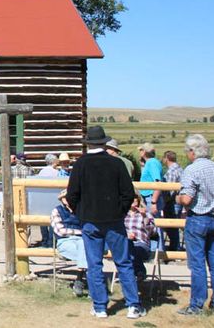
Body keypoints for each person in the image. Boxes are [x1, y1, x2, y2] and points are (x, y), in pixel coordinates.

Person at [66, 126, 146, 319]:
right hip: (114, 221)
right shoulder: (116, 164)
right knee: (124, 263)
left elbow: (72, 195)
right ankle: (133, 305)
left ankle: (100, 306)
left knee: (94, 264)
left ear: (88, 144)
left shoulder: (80, 165)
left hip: (90, 221)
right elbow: (128, 194)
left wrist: (81, 213)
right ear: (104, 143)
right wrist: (119, 211)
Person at [175, 134, 214, 316]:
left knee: (197, 264)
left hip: (198, 217)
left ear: (192, 151)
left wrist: (178, 197)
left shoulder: (192, 169)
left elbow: (187, 198)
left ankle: (196, 305)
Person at [50, 189, 87, 297]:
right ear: (62, 200)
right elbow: (60, 231)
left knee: (83, 246)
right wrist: (80, 232)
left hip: (82, 241)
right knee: (89, 252)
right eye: (66, 197)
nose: (69, 199)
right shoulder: (56, 211)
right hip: (65, 241)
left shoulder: (81, 210)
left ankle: (79, 281)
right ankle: (85, 280)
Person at [138, 143, 164, 251]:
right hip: (148, 196)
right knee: (150, 222)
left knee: (153, 223)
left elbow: (157, 181)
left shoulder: (152, 163)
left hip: (151, 197)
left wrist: (154, 201)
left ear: (144, 151)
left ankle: (157, 250)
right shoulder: (149, 163)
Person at [124, 196, 156, 281]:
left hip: (141, 243)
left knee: (135, 249)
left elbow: (152, 231)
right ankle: (139, 272)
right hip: (125, 241)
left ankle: (135, 273)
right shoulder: (122, 214)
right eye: (132, 202)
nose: (134, 204)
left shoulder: (145, 214)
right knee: (128, 246)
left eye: (135, 202)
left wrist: (144, 216)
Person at [162, 150, 183, 251]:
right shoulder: (180, 169)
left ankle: (175, 248)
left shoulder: (171, 171)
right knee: (175, 226)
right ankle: (176, 247)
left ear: (167, 158)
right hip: (178, 202)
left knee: (171, 226)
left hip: (172, 202)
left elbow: (169, 190)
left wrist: (164, 201)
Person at [37, 153, 59, 248]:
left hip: (42, 198)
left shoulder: (41, 172)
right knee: (53, 219)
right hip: (53, 198)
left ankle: (45, 240)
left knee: (43, 220)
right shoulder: (56, 173)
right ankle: (51, 241)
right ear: (54, 161)